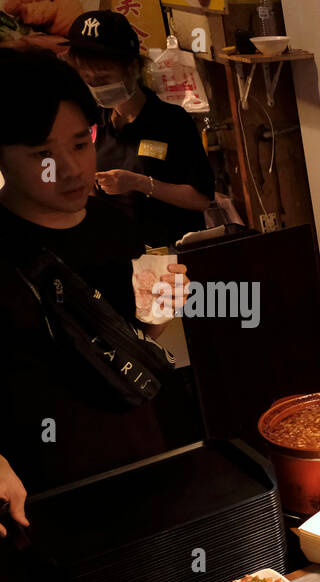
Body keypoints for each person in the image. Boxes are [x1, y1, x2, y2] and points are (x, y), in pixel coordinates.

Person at [0, 48, 187, 521]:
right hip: (44, 489)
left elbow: (125, 346)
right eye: (42, 154)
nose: (70, 169)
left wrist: (159, 312)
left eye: (80, 144)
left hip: (141, 456)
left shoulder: (109, 222)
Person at [62, 11, 214, 249]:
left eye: (103, 79)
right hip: (118, 253)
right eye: (87, 80)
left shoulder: (172, 122)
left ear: (132, 68)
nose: (95, 88)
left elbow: (201, 199)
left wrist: (140, 183)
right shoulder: (94, 120)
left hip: (170, 253)